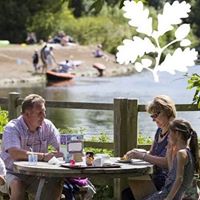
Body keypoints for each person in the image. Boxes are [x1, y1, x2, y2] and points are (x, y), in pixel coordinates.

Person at [0, 94, 64, 200]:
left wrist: (72, 151)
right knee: (18, 185)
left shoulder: (47, 126)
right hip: (9, 172)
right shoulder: (12, 128)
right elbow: (15, 153)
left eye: (44, 111)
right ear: (26, 114)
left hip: (36, 174)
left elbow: (62, 146)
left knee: (56, 182)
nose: (43, 116)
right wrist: (43, 156)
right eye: (39, 113)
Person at [122, 95, 176, 199]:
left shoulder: (175, 133)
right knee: (126, 193)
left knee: (128, 195)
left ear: (167, 111)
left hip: (167, 182)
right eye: (152, 116)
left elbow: (167, 163)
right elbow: (151, 154)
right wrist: (137, 153)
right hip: (154, 177)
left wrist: (142, 156)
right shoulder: (159, 132)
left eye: (155, 115)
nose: (153, 120)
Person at [144, 119, 199, 200]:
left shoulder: (182, 153)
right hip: (168, 191)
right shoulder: (185, 152)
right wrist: (169, 152)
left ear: (177, 134)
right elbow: (172, 174)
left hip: (171, 194)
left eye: (170, 133)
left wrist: (169, 198)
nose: (168, 137)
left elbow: (179, 179)